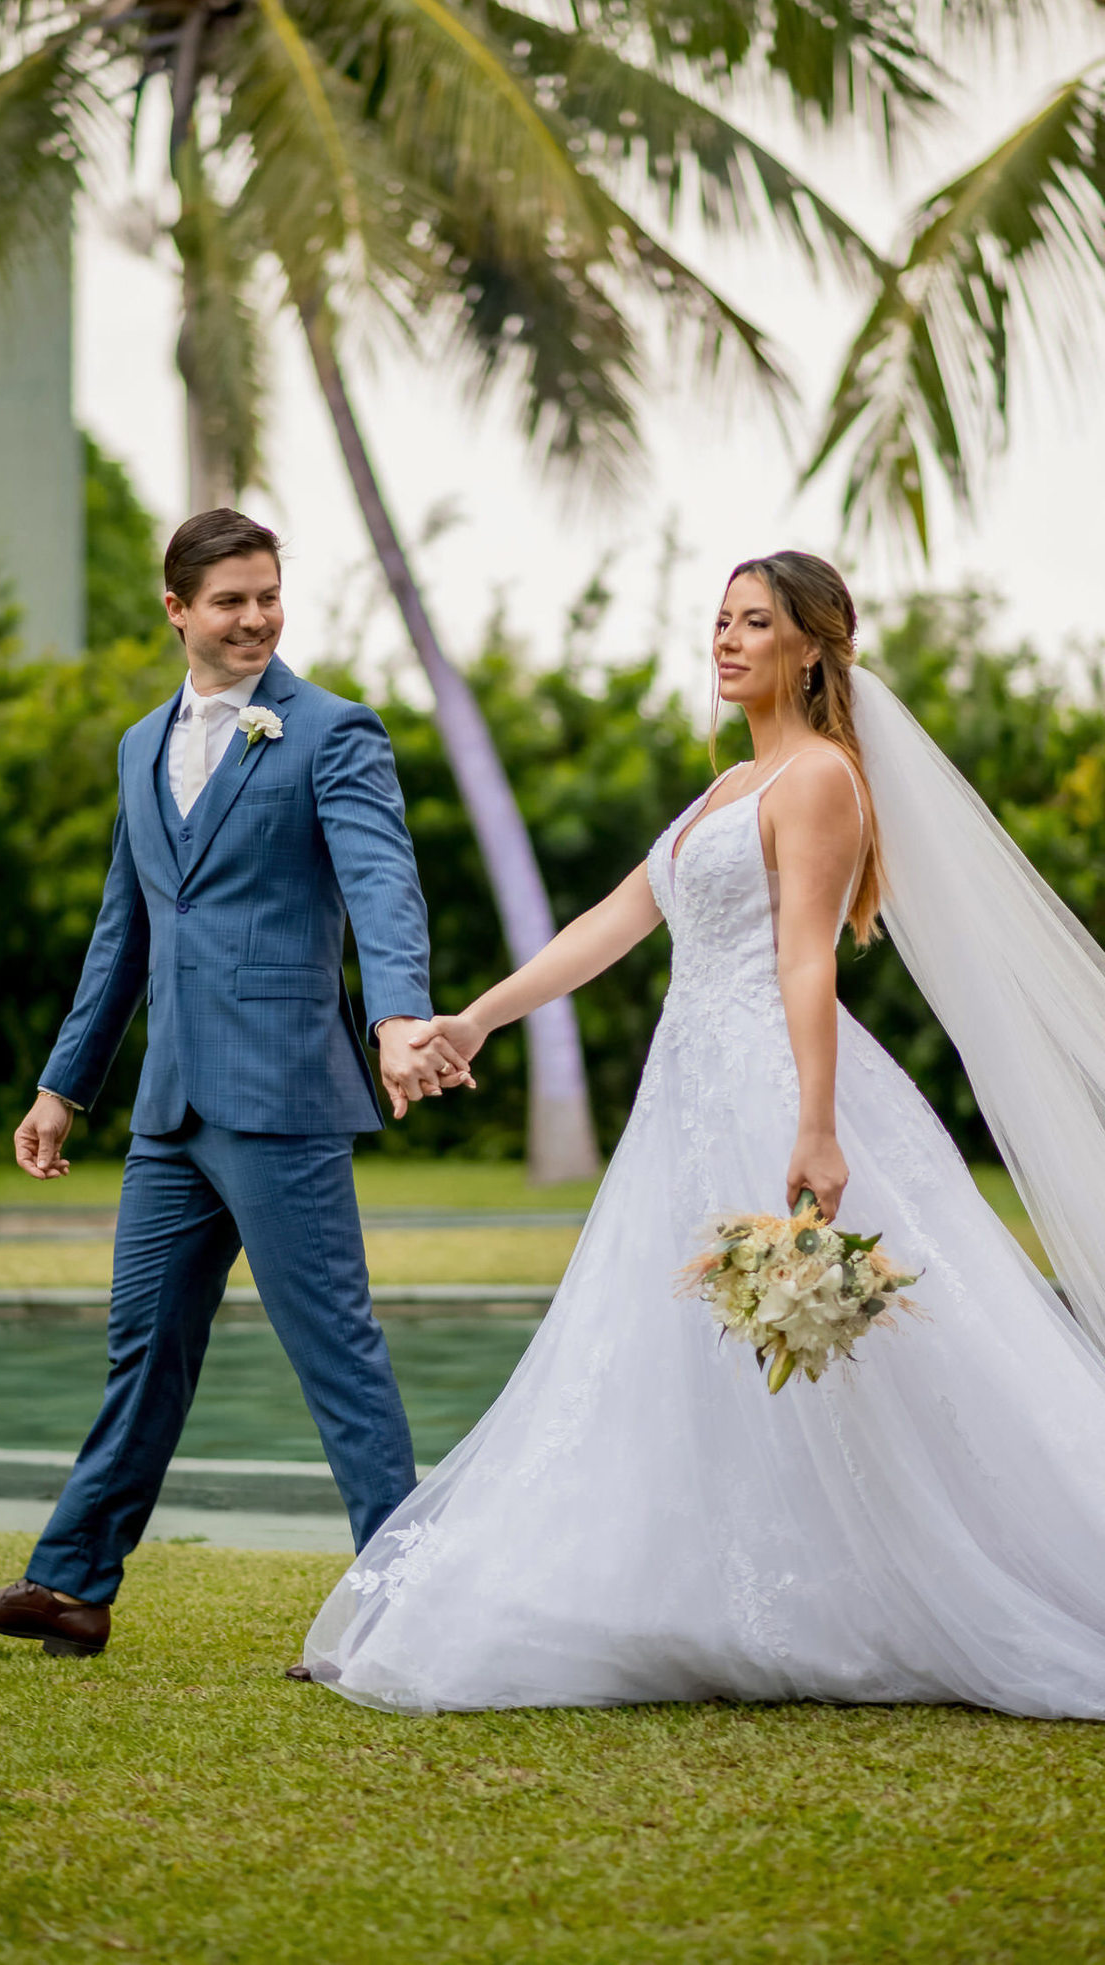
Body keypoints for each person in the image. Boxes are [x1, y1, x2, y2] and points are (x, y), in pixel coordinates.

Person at [296, 550, 1105, 1717]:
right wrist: (474, 1020)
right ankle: (723, 1590)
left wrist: (816, 1130)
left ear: (812, 647)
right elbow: (613, 921)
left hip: (773, 1087)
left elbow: (806, 961)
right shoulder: (729, 784)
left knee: (858, 1363)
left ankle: (927, 1580)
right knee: (676, 1347)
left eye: (755, 622)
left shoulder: (820, 779)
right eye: (721, 620)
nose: (726, 640)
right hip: (685, 1093)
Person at [0, 508, 469, 1660]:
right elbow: (122, 933)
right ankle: (71, 1586)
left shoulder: (333, 731)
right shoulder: (139, 747)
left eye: (268, 595)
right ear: (177, 610)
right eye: (230, 601)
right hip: (170, 1107)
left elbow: (383, 883)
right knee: (144, 1349)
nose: (256, 618)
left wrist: (398, 1017)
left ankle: (410, 1611)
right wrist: (63, 1086)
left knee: (336, 1353)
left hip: (284, 1094)